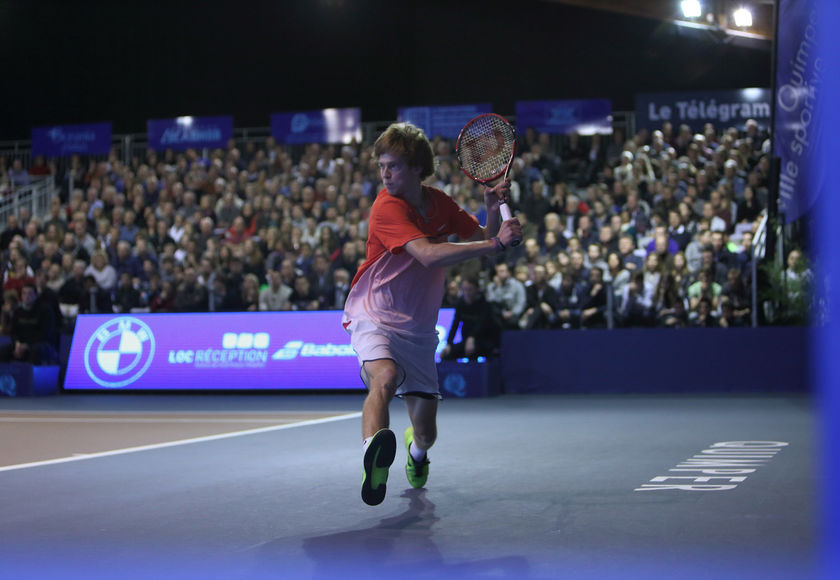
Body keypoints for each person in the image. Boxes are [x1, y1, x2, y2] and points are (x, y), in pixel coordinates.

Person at [341, 123, 520, 506]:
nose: (384, 174)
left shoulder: (438, 202)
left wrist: (492, 214)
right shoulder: (386, 206)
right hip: (374, 312)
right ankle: (373, 456)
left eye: (393, 166)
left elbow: (477, 235)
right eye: (381, 166)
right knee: (384, 378)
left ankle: (416, 453)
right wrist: (495, 244)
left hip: (419, 330)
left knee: (425, 433)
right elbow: (427, 254)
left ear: (417, 168)